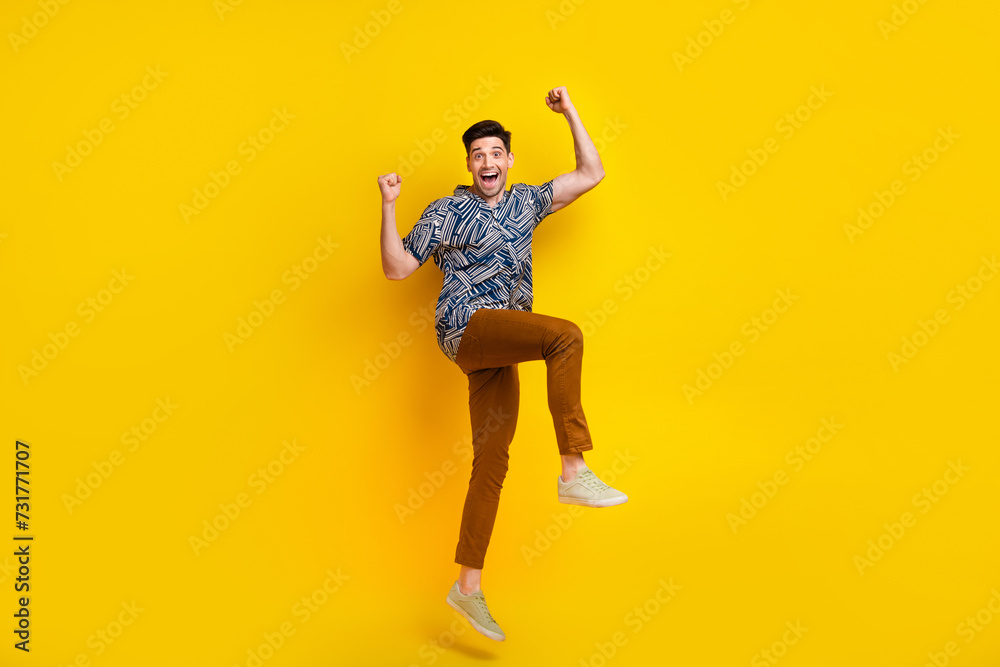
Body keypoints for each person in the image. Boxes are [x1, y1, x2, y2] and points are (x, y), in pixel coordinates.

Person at [377, 86, 627, 642]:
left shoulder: (527, 202)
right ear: (468, 165)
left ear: (508, 161)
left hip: (503, 342)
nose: (486, 162)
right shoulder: (446, 211)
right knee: (566, 337)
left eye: (495, 153)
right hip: (466, 326)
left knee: (491, 463)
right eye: (477, 155)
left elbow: (591, 172)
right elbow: (397, 269)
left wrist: (570, 113)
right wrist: (390, 205)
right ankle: (573, 469)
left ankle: (466, 586)